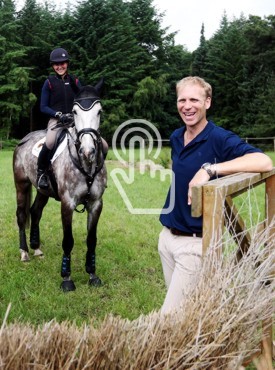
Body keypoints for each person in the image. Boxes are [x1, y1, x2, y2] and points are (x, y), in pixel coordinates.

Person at [158, 76, 273, 314]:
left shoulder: (219, 138)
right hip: (167, 238)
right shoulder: (178, 136)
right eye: (182, 100)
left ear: (207, 103)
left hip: (194, 244)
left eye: (194, 100)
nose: (187, 106)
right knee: (186, 317)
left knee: (168, 319)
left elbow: (264, 160)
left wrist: (209, 169)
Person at [37, 47, 108, 189]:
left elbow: (82, 100)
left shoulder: (75, 80)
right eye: (56, 64)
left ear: (67, 64)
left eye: (62, 63)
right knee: (50, 142)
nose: (59, 66)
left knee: (104, 145)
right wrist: (57, 114)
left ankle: (98, 172)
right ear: (53, 66)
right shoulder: (49, 82)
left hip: (75, 121)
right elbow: (43, 107)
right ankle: (41, 173)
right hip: (56, 121)